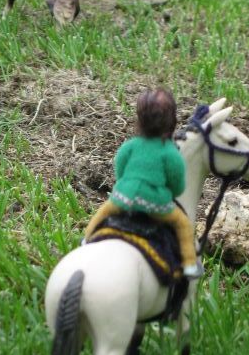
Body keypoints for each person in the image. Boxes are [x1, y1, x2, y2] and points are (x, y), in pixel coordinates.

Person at [85, 87, 203, 278]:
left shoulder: (130, 146)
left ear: (139, 119)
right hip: (155, 204)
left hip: (124, 197)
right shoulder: (170, 153)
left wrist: (126, 185)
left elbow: (120, 168)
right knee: (183, 224)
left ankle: (87, 238)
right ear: (171, 121)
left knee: (103, 211)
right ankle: (189, 264)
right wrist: (168, 194)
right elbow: (177, 186)